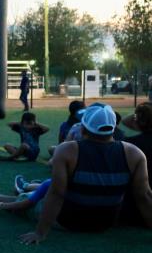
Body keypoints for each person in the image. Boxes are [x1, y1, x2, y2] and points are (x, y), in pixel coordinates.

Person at [19, 104, 152, 244]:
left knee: (25, 198)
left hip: (68, 220)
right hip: (106, 223)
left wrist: (40, 233)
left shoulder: (66, 150)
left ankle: (22, 192)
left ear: (82, 128)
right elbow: (144, 196)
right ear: (114, 127)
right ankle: (31, 187)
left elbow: (57, 194)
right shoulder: (134, 153)